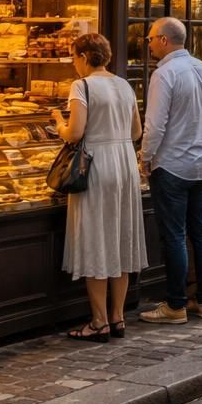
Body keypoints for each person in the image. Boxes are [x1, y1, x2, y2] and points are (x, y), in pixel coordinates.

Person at [53, 33, 147, 341]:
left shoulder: (82, 86)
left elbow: (75, 133)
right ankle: (118, 318)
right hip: (124, 164)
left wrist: (57, 121)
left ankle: (98, 321)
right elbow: (136, 130)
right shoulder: (124, 85)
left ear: (82, 56)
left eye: (73, 57)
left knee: (95, 239)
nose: (73, 64)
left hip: (96, 165)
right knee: (120, 239)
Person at [139, 17, 202, 325]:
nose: (147, 43)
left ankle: (175, 305)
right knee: (200, 232)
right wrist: (200, 144)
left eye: (150, 38)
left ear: (164, 40)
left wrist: (146, 158)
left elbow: (156, 124)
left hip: (172, 166)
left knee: (174, 235)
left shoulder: (165, 74)